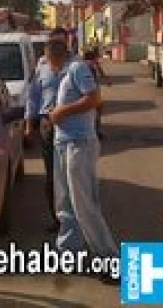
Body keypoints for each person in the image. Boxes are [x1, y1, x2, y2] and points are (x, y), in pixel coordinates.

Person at [48, 40, 119, 274]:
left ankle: (109, 260)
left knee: (84, 205)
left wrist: (61, 111)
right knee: (66, 204)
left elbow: (94, 99)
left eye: (48, 60)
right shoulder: (65, 74)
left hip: (79, 143)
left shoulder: (77, 68)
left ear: (54, 56)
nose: (48, 65)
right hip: (63, 142)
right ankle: (68, 253)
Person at [25, 27, 73, 233]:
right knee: (52, 176)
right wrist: (30, 125)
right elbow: (33, 96)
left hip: (71, 126)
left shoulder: (76, 66)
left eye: (60, 42)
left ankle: (76, 219)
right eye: (53, 42)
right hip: (47, 125)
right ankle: (58, 219)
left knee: (71, 175)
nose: (56, 45)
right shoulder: (41, 66)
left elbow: (91, 98)